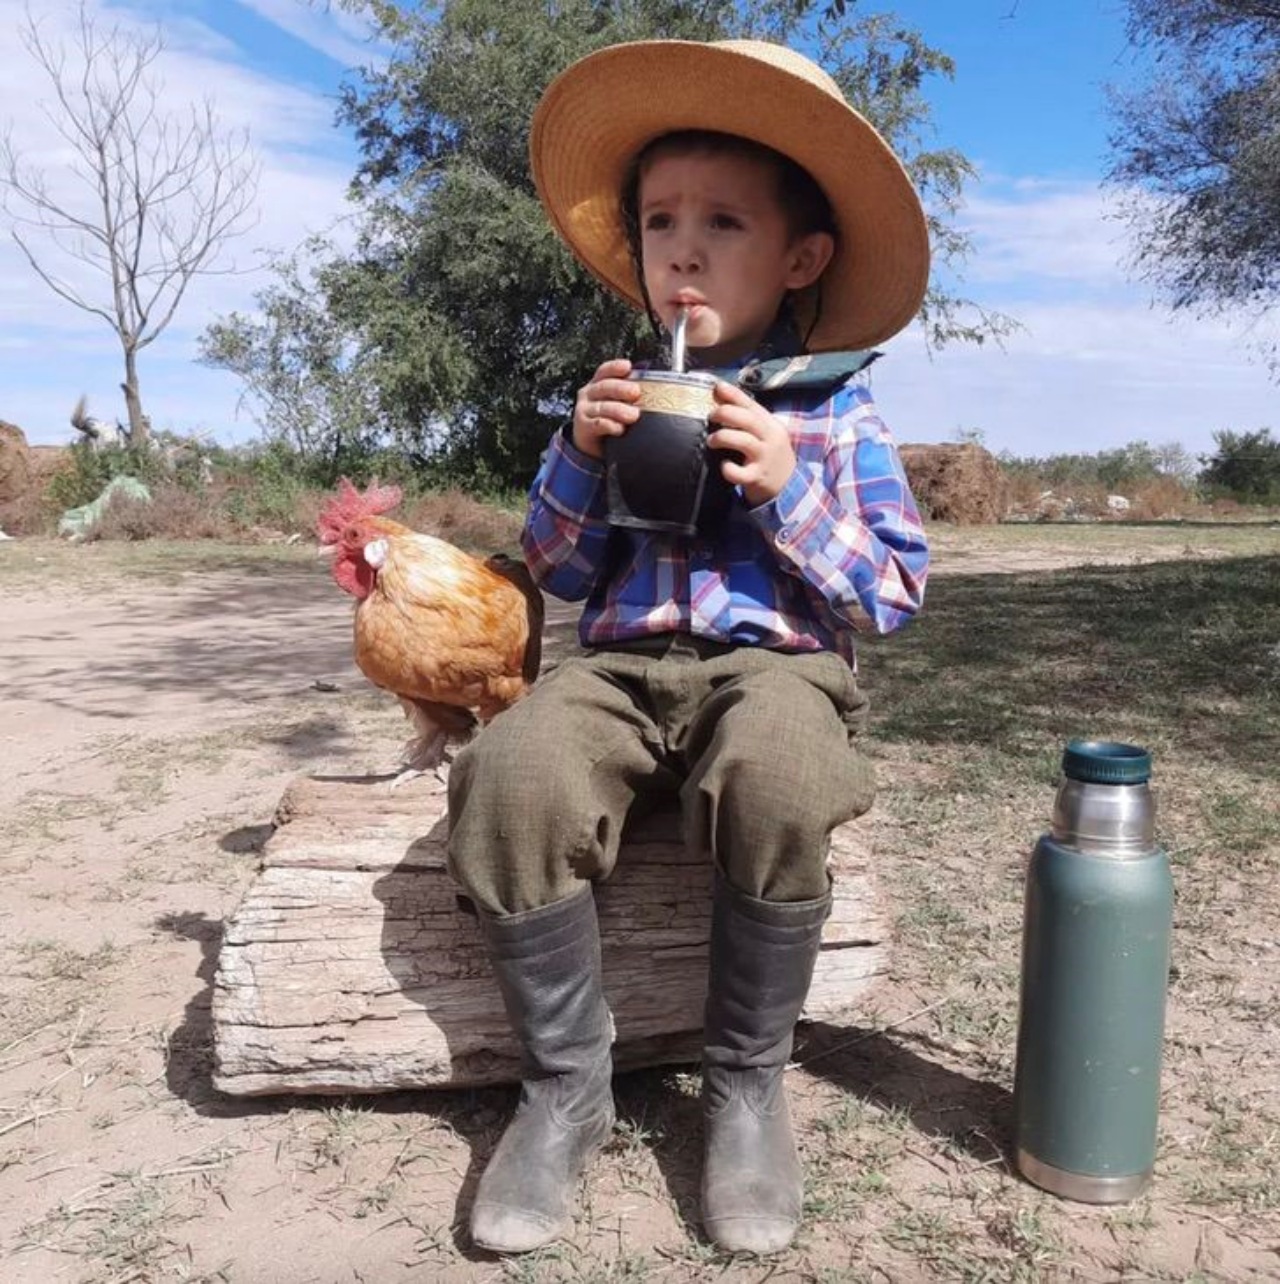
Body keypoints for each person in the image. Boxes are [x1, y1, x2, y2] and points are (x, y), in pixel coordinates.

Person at [446, 37, 930, 1257]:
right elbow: (550, 574)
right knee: (510, 773)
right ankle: (565, 1087)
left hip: (773, 669)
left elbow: (890, 594)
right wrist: (579, 457)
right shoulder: (613, 392)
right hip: (614, 669)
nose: (685, 247)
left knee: (781, 768)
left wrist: (782, 488)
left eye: (724, 221)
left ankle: (746, 1084)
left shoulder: (833, 407)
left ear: (800, 257)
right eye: (661, 221)